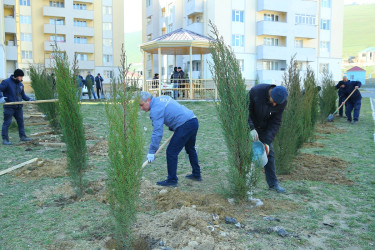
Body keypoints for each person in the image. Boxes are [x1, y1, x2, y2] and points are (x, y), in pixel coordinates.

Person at [139, 91, 201, 187]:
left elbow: (157, 132)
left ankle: (172, 180)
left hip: (184, 125)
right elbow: (173, 111)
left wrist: (151, 151)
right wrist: (173, 127)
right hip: (193, 121)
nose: (141, 108)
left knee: (171, 152)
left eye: (142, 105)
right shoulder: (163, 98)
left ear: (148, 100)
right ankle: (196, 174)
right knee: (190, 149)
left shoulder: (155, 110)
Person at [248, 84, 288, 193]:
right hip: (248, 126)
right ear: (270, 94)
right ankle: (243, 184)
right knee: (244, 154)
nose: (274, 104)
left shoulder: (281, 102)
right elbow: (245, 111)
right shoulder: (256, 92)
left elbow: (276, 122)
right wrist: (250, 128)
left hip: (264, 129)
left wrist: (266, 141)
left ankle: (273, 185)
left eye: (277, 103)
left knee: (269, 154)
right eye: (273, 101)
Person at [0, 69, 34, 145]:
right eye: (21, 76)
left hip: (18, 107)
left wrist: (29, 99)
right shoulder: (6, 82)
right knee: (7, 123)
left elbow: (23, 96)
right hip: (9, 107)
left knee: (21, 122)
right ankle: (5, 139)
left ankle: (23, 137)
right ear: (16, 76)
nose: (22, 78)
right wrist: (1, 98)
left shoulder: (20, 85)